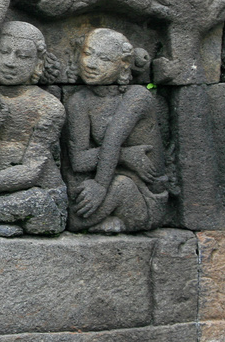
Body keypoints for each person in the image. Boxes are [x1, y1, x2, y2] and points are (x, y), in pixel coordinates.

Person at [0, 22, 67, 236]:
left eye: (23, 56)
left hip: (39, 195)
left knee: (34, 202)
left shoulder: (48, 107)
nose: (10, 62)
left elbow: (32, 170)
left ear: (39, 63)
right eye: (3, 52)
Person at [63, 28, 167, 233]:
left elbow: (113, 138)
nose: (91, 64)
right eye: (87, 53)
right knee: (75, 194)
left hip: (144, 194)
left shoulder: (137, 96)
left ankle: (117, 220)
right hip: (110, 175)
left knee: (115, 190)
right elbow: (78, 160)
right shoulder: (79, 101)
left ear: (123, 65)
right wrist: (126, 156)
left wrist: (100, 186)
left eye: (104, 58)